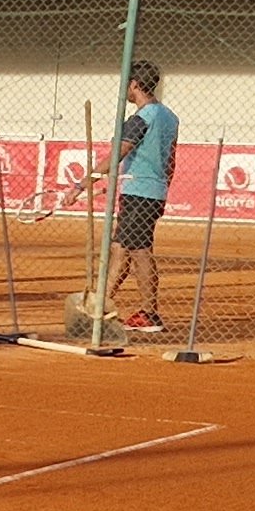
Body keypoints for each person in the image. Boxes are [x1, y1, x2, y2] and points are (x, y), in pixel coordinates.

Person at [108, 58, 176, 334]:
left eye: (127, 84)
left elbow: (118, 153)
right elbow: (171, 161)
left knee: (139, 252)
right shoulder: (170, 117)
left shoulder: (140, 118)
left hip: (140, 192)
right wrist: (159, 185)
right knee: (119, 248)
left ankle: (150, 313)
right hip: (149, 190)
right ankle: (100, 304)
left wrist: (83, 182)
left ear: (134, 85)